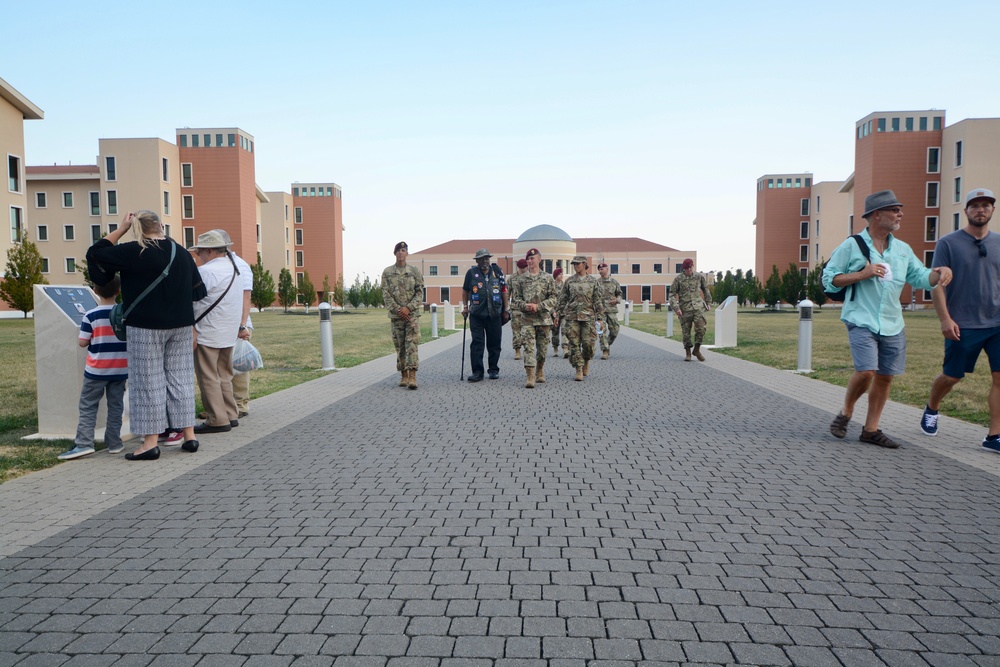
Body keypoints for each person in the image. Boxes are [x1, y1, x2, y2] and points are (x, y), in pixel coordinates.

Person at [823, 190, 952, 449]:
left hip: (893, 323)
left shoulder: (902, 250)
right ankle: (846, 411)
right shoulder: (852, 245)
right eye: (894, 210)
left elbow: (920, 277)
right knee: (866, 371)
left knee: (885, 376)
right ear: (876, 215)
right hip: (861, 318)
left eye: (899, 209)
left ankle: (871, 430)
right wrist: (863, 273)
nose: (900, 214)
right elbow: (830, 279)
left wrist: (940, 273)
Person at [86, 210, 206, 460]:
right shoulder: (182, 253)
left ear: (138, 229)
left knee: (147, 382)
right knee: (180, 379)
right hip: (182, 325)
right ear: (161, 226)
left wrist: (121, 229)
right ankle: (189, 436)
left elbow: (95, 253)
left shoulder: (134, 250)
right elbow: (196, 293)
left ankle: (150, 443)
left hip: (146, 326)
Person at [918, 188, 1000, 451]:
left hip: (997, 324)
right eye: (975, 205)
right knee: (952, 376)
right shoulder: (948, 243)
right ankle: (932, 408)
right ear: (965, 211)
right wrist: (945, 319)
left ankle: (994, 436)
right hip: (963, 323)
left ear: (992, 210)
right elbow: (936, 284)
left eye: (986, 205)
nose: (980, 209)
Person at [58, 277, 128, 460]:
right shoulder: (124, 313)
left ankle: (84, 443)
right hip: (120, 369)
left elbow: (82, 342)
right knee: (116, 406)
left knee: (88, 406)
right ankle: (114, 443)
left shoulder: (91, 315)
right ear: (118, 291)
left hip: (97, 370)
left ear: (95, 291)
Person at [190, 230, 243, 434]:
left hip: (208, 330)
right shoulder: (235, 268)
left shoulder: (206, 272)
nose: (198, 256)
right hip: (228, 330)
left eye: (199, 252)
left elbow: (193, 299)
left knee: (208, 377)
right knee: (224, 375)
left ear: (209, 251)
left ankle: (217, 418)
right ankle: (230, 413)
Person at [212, 230, 254, 418]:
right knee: (221, 367)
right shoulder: (220, 265)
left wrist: (242, 325)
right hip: (223, 323)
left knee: (238, 365)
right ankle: (221, 406)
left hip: (237, 323)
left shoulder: (240, 265)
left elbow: (246, 296)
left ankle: (240, 404)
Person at [511, 248, 557, 388]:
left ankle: (540, 370)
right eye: (528, 259)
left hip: (543, 319)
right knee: (529, 348)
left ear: (539, 260)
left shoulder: (547, 278)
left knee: (542, 350)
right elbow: (516, 299)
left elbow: (554, 298)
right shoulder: (521, 279)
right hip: (527, 320)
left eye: (532, 258)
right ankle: (530, 376)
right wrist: (525, 306)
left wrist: (540, 306)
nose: (530, 261)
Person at [381, 241, 424, 389]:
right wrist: (399, 310)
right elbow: (385, 294)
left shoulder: (414, 271)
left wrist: (408, 308)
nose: (401, 253)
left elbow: (420, 292)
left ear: (407, 253)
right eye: (398, 250)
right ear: (395, 253)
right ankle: (404, 375)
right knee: (400, 346)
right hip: (396, 316)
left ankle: (412, 377)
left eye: (403, 250)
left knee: (411, 345)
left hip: (411, 316)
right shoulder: (387, 272)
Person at [462, 248, 509, 382]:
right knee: (477, 343)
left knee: (494, 343)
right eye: (481, 259)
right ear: (477, 261)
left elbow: (504, 291)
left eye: (487, 258)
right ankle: (477, 372)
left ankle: (493, 370)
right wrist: (465, 307)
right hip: (477, 314)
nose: (485, 261)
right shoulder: (471, 273)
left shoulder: (497, 272)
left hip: (494, 313)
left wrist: (506, 309)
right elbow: (465, 291)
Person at [558, 256, 604, 381]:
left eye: (578, 264)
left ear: (584, 264)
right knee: (574, 344)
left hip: (588, 317)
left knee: (588, 344)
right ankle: (578, 368)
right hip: (572, 317)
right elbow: (562, 299)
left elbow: (598, 301)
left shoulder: (593, 281)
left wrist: (600, 319)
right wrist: (557, 314)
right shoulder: (569, 281)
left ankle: (586, 360)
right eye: (574, 264)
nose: (576, 266)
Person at [670, 258, 712, 361]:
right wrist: (676, 308)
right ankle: (688, 353)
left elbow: (705, 289)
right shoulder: (678, 279)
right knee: (686, 332)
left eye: (690, 268)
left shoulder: (699, 277)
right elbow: (671, 295)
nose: (688, 270)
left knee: (701, 329)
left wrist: (708, 302)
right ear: (683, 269)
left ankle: (696, 349)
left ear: (693, 266)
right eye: (686, 269)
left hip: (698, 307)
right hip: (685, 309)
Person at [596, 262, 623, 359]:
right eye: (599, 269)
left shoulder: (614, 282)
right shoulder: (597, 282)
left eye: (602, 269)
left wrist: (617, 300)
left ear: (607, 269)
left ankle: (606, 343)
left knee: (615, 330)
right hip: (600, 311)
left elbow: (619, 294)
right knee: (601, 331)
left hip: (612, 310)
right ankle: (605, 351)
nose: (600, 271)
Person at [508, 259, 528, 360]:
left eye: (525, 268)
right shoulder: (512, 278)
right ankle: (517, 350)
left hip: (527, 309)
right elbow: (507, 293)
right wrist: (505, 308)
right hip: (515, 308)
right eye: (521, 268)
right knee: (516, 331)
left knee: (527, 331)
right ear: (518, 267)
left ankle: (528, 350)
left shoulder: (530, 277)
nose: (523, 270)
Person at [550, 267, 564, 357]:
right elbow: (549, 300)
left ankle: (566, 348)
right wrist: (552, 311)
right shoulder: (551, 286)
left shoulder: (565, 285)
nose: (561, 276)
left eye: (562, 274)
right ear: (555, 276)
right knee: (555, 332)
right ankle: (555, 348)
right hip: (554, 312)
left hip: (564, 312)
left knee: (565, 330)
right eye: (559, 274)